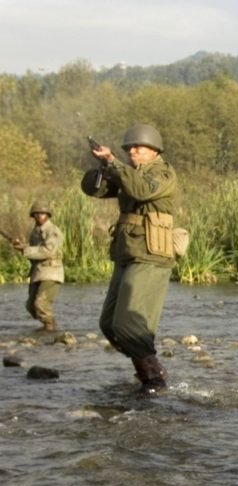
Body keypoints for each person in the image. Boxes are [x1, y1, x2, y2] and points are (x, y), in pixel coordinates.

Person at [84, 124, 179, 394]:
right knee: (109, 325)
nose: (132, 151)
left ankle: (154, 376)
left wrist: (114, 162)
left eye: (138, 147)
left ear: (154, 150)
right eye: (128, 148)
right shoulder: (129, 174)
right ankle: (146, 374)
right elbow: (95, 190)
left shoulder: (162, 173)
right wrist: (103, 167)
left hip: (151, 254)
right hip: (127, 252)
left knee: (127, 325)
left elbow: (141, 191)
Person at [11, 199, 64, 331]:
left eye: (42, 213)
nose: (39, 216)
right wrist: (23, 246)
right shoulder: (35, 232)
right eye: (36, 214)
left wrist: (25, 250)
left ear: (47, 215)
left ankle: (50, 327)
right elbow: (35, 250)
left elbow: (47, 251)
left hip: (51, 271)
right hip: (38, 272)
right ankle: (48, 326)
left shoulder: (53, 231)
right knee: (31, 306)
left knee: (40, 303)